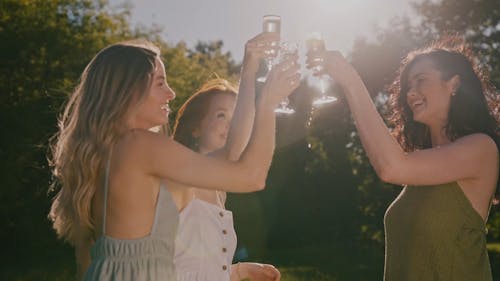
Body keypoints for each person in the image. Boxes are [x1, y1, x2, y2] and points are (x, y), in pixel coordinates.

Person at [49, 37, 300, 281]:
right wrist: (267, 103)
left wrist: (249, 71)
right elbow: (251, 176)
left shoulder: (109, 153)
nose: (171, 93)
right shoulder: (141, 145)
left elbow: (229, 154)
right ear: (128, 90)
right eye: (160, 83)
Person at [307, 36, 499, 280]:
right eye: (408, 86)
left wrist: (350, 80)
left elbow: (391, 167)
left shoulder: (481, 148)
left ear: (454, 85)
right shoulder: (423, 167)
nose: (411, 93)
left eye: (421, 80)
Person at [169, 32, 291, 281]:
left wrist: (237, 271)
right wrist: (249, 73)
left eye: (236, 116)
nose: (232, 124)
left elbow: (193, 266)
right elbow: (235, 149)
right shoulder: (182, 174)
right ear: (196, 127)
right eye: (221, 115)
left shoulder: (219, 189)